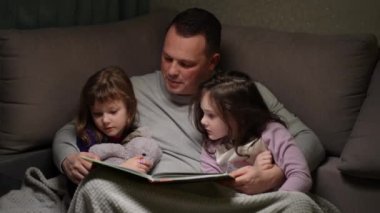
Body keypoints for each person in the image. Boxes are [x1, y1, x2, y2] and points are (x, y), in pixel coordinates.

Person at [54, 8, 330, 212]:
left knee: (298, 206)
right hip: (157, 201)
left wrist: (274, 174)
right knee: (97, 189)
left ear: (212, 62)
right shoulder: (132, 90)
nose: (172, 71)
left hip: (227, 201)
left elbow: (310, 141)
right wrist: (68, 159)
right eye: (167, 58)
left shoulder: (240, 93)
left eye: (186, 64)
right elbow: (71, 128)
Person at [193, 70, 312, 193]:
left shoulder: (272, 133)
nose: (202, 121)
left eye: (211, 115)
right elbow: (215, 188)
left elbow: (301, 177)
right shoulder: (211, 146)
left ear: (238, 115)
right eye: (203, 113)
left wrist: (277, 202)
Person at [64, 66, 161, 185]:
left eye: (113, 112)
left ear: (129, 109)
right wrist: (123, 169)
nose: (105, 120)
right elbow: (89, 180)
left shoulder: (135, 134)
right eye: (97, 114)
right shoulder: (88, 137)